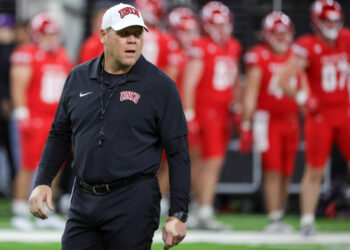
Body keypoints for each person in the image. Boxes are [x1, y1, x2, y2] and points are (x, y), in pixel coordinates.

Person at [28, 3, 190, 250]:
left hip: (133, 201)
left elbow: (178, 152)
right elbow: (59, 134)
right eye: (124, 34)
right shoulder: (78, 77)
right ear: (103, 35)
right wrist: (42, 181)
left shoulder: (160, 86)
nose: (132, 41)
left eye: (137, 34)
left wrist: (178, 213)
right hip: (83, 200)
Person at [276, 0, 350, 236]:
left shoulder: (346, 39)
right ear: (317, 22)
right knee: (315, 169)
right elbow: (284, 80)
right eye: (327, 21)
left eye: (334, 20)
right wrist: (303, 98)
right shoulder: (308, 45)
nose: (332, 25)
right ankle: (307, 221)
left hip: (345, 110)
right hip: (321, 115)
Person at [240, 11, 307, 233]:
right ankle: (274, 218)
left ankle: (279, 215)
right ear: (268, 35)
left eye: (284, 33)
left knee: (288, 171)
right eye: (277, 33)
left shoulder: (295, 57)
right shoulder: (259, 55)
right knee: (273, 169)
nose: (281, 38)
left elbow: (305, 88)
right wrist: (247, 125)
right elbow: (251, 93)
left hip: (291, 120)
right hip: (267, 120)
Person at [182, 1, 241, 230]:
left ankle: (200, 207)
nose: (222, 29)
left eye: (225, 24)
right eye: (217, 25)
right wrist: (189, 113)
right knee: (211, 161)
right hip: (206, 110)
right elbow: (189, 82)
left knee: (206, 162)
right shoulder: (201, 46)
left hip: (222, 111)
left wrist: (236, 107)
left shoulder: (233, 46)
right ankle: (204, 210)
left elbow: (234, 79)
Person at [10, 12, 72, 231]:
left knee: (55, 166)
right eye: (47, 33)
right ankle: (19, 209)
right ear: (36, 34)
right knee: (28, 165)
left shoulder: (62, 55)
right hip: (34, 117)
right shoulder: (26, 53)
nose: (51, 38)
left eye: (54, 33)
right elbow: (18, 84)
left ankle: (45, 209)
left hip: (56, 119)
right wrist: (21, 112)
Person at [166, 5, 202, 221]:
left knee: (187, 159)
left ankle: (190, 204)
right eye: (184, 30)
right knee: (170, 160)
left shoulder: (190, 52)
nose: (188, 35)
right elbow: (168, 85)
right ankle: (163, 200)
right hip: (175, 114)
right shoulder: (173, 52)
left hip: (185, 113)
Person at [0, 13, 16, 196]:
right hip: (5, 104)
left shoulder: (15, 50)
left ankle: (10, 183)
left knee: (12, 150)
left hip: (11, 108)